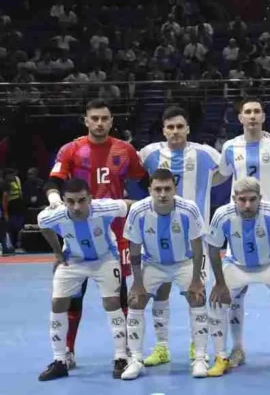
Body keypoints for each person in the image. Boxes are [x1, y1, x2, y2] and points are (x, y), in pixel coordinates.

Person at [44, 98, 149, 369]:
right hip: (77, 232)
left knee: (118, 295)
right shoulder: (72, 149)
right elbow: (54, 180)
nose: (100, 123)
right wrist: (55, 200)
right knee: (71, 295)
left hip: (116, 233)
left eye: (105, 118)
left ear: (111, 121)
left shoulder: (125, 150)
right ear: (86, 120)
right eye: (95, 118)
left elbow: (143, 180)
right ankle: (67, 352)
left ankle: (124, 350)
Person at [218, 97, 270, 368]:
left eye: (256, 112)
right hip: (239, 227)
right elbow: (222, 175)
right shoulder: (230, 147)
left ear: (263, 116)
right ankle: (237, 348)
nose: (252, 116)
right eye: (247, 112)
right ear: (240, 118)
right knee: (233, 297)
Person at [138, 106, 223, 365]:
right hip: (157, 236)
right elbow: (129, 165)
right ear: (163, 130)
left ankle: (196, 347)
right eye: (170, 127)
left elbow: (224, 175)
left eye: (180, 126)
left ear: (188, 128)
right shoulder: (149, 153)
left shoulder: (207, 154)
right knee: (160, 291)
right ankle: (162, 347)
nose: (175, 131)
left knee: (194, 292)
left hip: (194, 237)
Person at [206, 177, 270, 376]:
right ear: (234, 198)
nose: (248, 205)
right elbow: (213, 248)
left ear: (260, 198)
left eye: (252, 199)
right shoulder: (222, 215)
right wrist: (219, 283)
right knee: (217, 302)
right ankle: (226, 354)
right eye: (242, 200)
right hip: (237, 266)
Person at [37, 178, 133, 381]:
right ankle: (60, 360)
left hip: (105, 259)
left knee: (112, 302)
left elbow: (132, 205)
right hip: (73, 260)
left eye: (81, 200)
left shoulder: (105, 207)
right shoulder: (52, 215)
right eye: (70, 201)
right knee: (58, 303)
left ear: (90, 198)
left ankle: (121, 357)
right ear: (63, 200)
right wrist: (57, 253)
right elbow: (43, 227)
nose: (76, 206)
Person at [120, 168, 209, 379]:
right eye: (157, 189)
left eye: (167, 189)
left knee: (197, 299)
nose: (162, 194)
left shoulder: (189, 209)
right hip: (153, 264)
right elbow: (134, 249)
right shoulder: (138, 211)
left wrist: (196, 280)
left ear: (174, 189)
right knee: (135, 302)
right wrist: (137, 282)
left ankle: (199, 357)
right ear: (150, 189)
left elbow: (198, 247)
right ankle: (135, 359)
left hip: (184, 263)